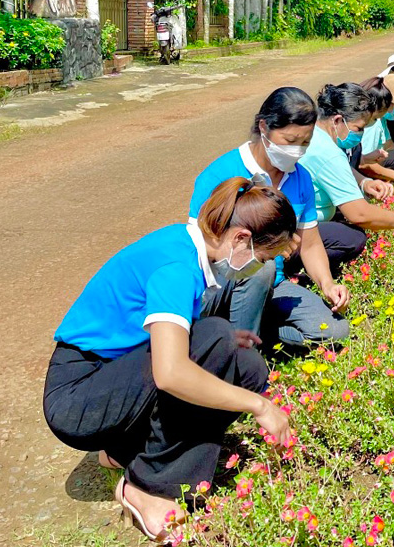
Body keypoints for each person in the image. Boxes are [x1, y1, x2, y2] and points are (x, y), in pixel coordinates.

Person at [45, 178, 296, 544]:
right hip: (79, 395)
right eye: (262, 259)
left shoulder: (188, 246)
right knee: (214, 343)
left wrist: (225, 343)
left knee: (246, 364)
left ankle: (122, 450)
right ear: (241, 238)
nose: (259, 269)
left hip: (114, 376)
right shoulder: (177, 266)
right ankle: (149, 487)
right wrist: (259, 406)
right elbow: (170, 373)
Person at [189, 87, 351, 350]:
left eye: (305, 143)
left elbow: (310, 245)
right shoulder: (220, 174)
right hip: (222, 286)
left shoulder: (300, 179)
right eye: (290, 141)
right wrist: (261, 249)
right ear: (264, 127)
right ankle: (239, 354)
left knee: (335, 332)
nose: (297, 150)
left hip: (273, 287)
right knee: (261, 266)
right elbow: (197, 249)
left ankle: (252, 332)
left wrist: (327, 284)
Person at [301, 82, 394, 242]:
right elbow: (359, 214)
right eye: (359, 128)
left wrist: (364, 183)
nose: (361, 133)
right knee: (353, 239)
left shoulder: (315, 132)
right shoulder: (328, 152)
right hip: (299, 230)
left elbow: (338, 169)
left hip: (300, 217)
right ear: (337, 120)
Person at [358, 75, 394, 185]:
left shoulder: (379, 118)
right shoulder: (371, 123)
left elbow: (389, 144)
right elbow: (362, 164)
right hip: (359, 168)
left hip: (366, 161)